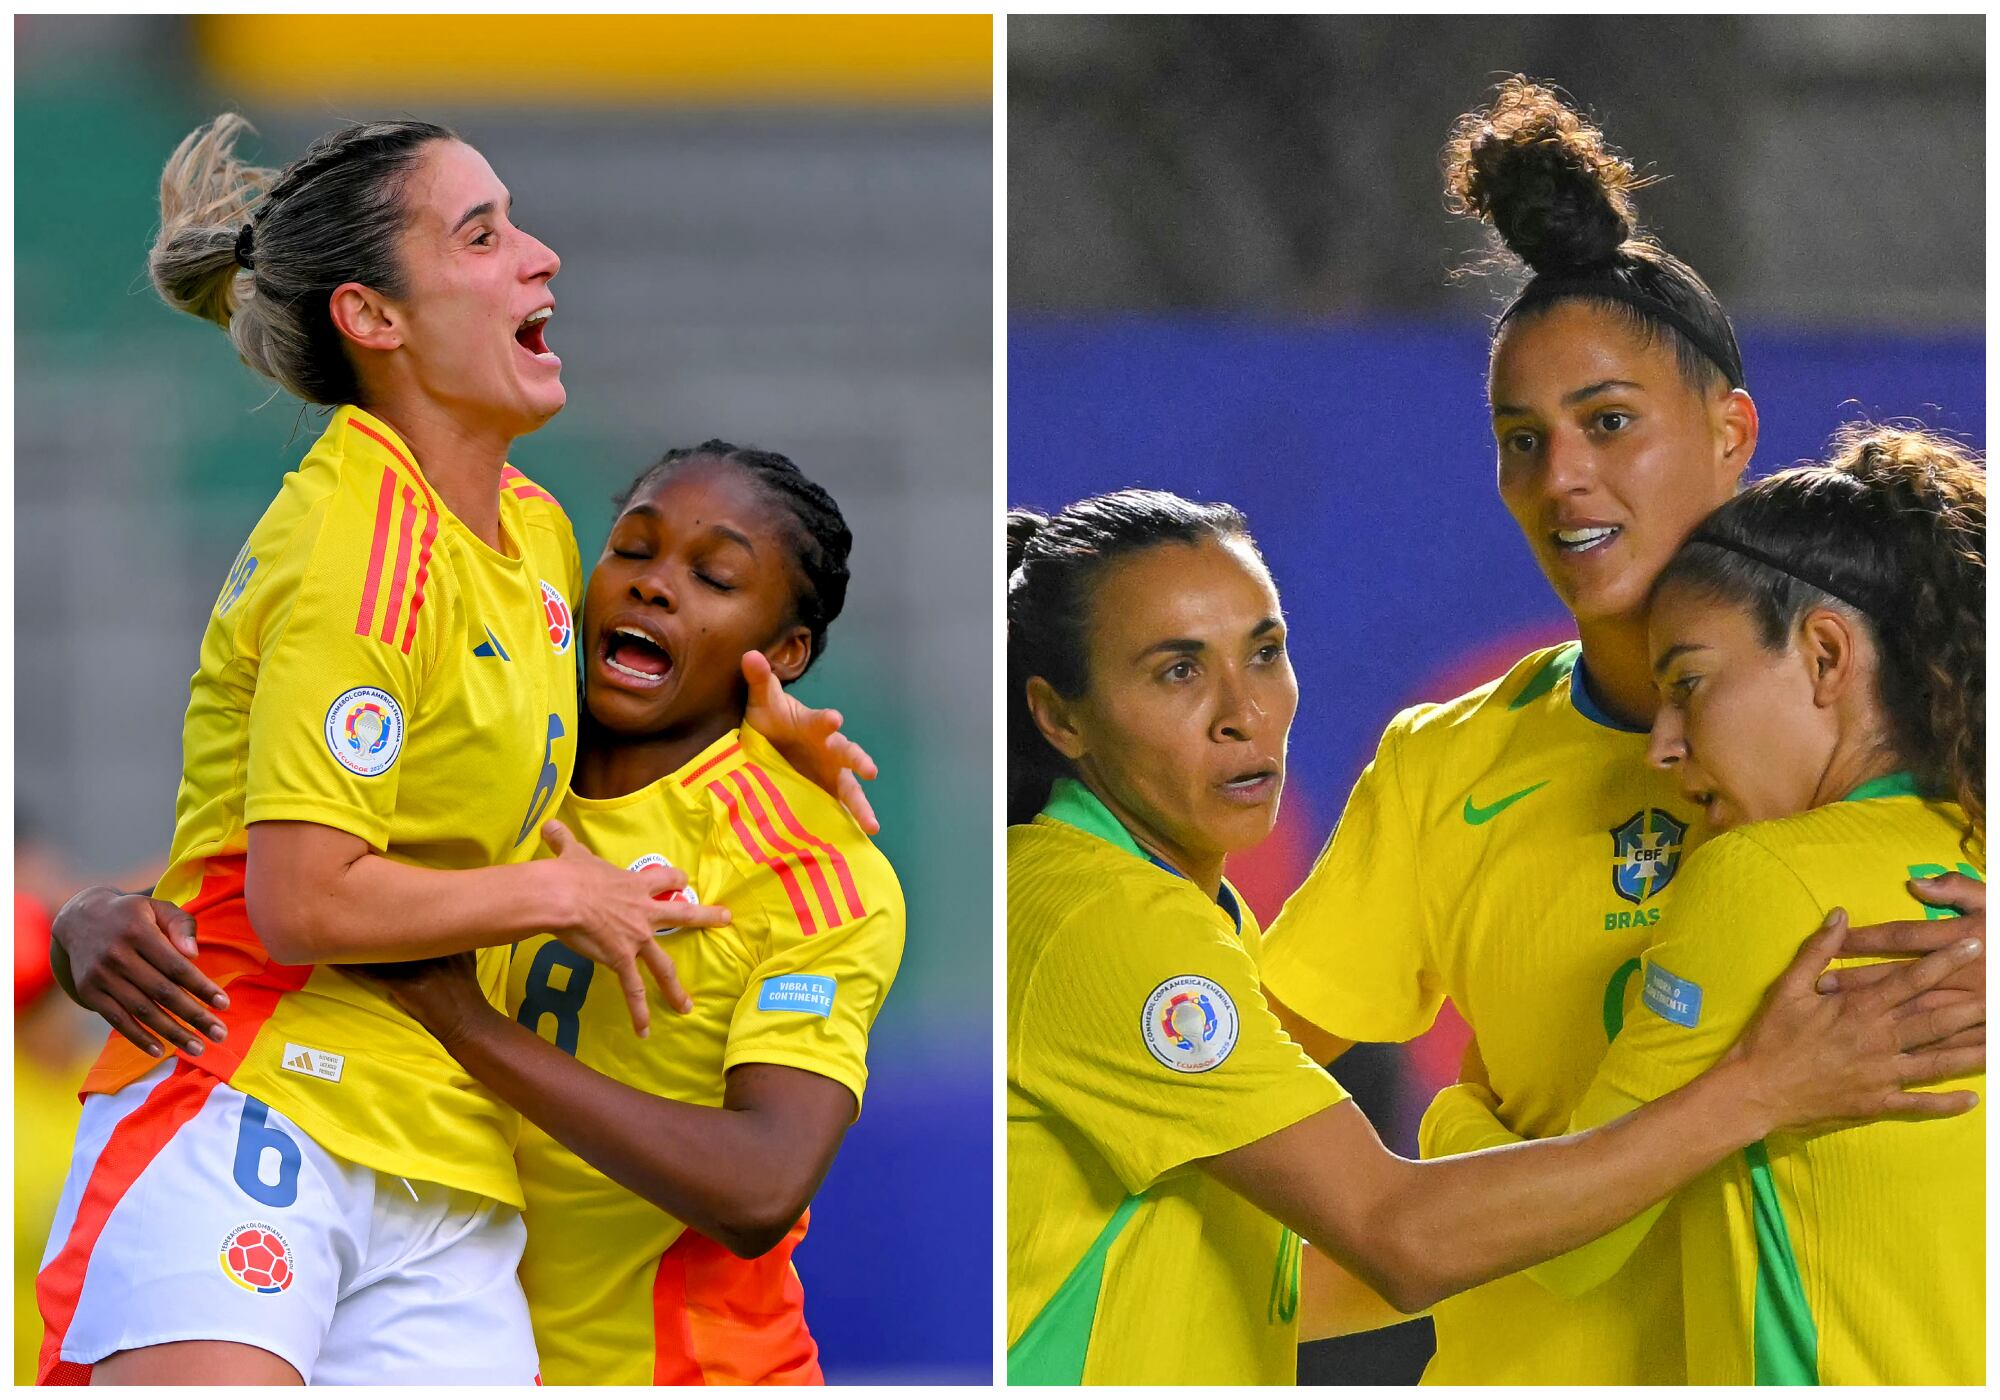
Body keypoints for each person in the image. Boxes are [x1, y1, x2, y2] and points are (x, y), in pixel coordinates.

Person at [34, 114, 850, 1386]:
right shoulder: (356, 546)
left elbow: (505, 770)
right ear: (375, 317)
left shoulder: (527, 530)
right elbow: (301, 899)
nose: (541, 257)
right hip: (259, 1093)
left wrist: (749, 739)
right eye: (483, 233)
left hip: (450, 1159)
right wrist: (561, 892)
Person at [1257, 79, 1986, 1384]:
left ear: (1731, 431)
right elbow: (1235, 1103)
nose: (1562, 479)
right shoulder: (1449, 761)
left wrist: (1468, 1146)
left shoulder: (1929, 708)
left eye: (1609, 423)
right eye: (1518, 440)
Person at [1003, 489, 1981, 1385]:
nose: (1244, 711)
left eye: (1263, 650)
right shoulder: (1107, 918)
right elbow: (1397, 1236)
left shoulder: (1758, 875)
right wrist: (1757, 1088)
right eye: (1176, 669)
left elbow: (1338, 1260)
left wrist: (1458, 1120)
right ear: (1058, 715)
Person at [53, 443, 899, 1385]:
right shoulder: (507, 760)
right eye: (632, 550)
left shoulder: (812, 863)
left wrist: (467, 1025)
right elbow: (306, 885)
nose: (655, 588)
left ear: (781, 653)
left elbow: (760, 1188)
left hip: (685, 1371)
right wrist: (97, 919)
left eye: (714, 576)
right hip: (448, 1314)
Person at [1538, 427, 1983, 1383]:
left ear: (1826, 655)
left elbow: (1566, 1245)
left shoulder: (1761, 878)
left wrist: (1462, 1116)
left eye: (1689, 684)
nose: (1663, 745)